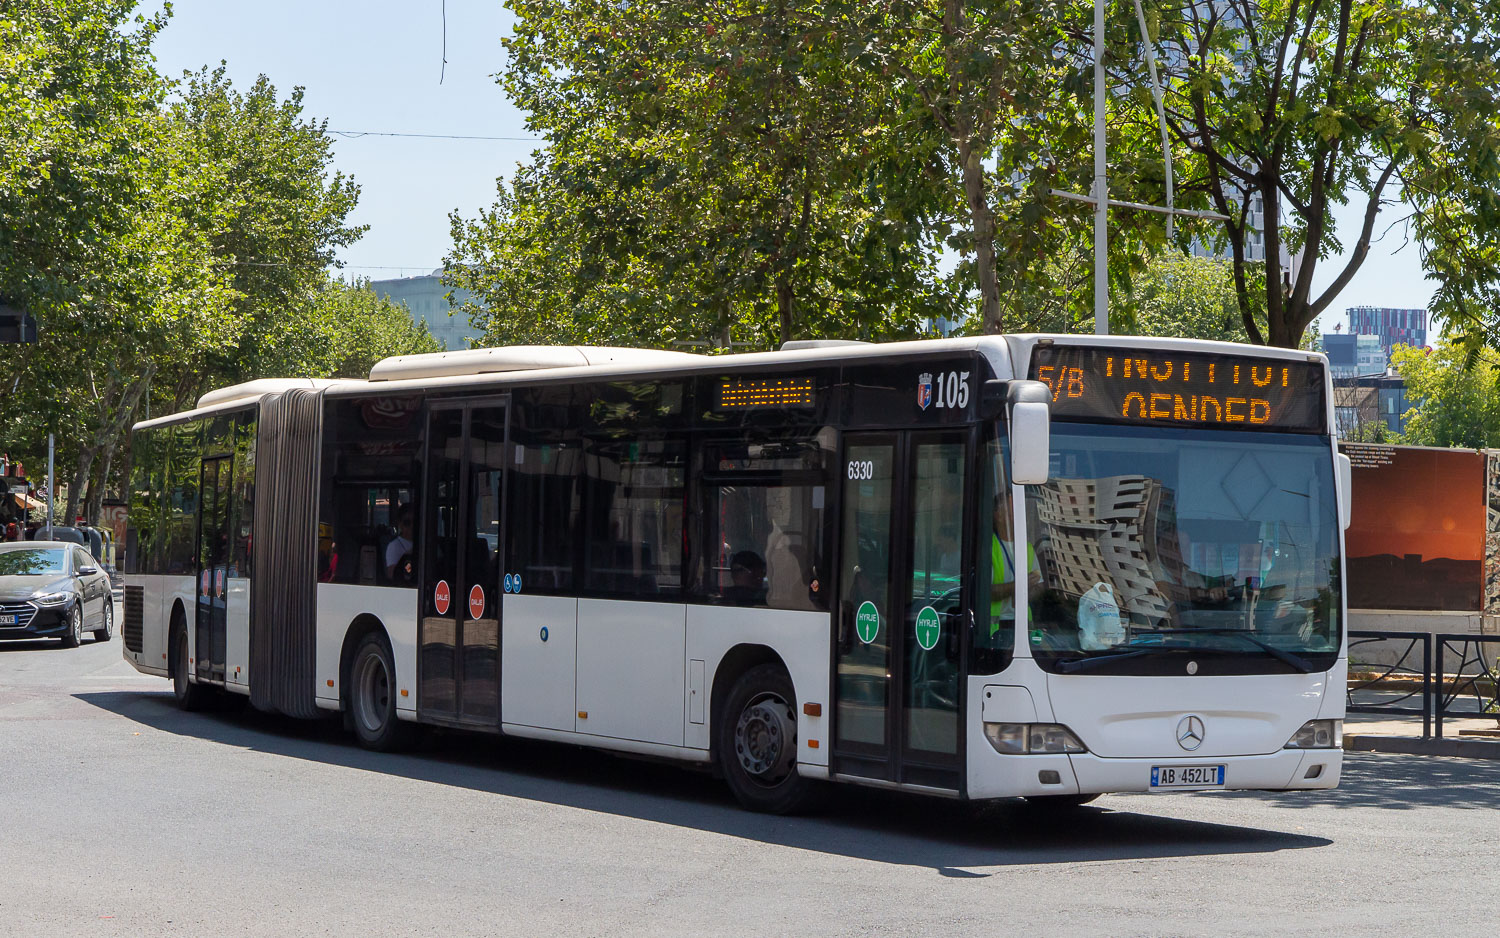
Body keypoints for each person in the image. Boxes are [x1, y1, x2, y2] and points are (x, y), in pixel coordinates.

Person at [989, 499, 1040, 637]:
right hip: (996, 629)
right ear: (998, 516)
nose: (1019, 514)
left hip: (1023, 625)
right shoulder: (988, 546)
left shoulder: (1027, 547)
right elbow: (987, 592)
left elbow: (1039, 590)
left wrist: (1029, 591)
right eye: (1013, 510)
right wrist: (1019, 586)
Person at [384, 507, 415, 583]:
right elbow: (391, 575)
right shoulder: (394, 546)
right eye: (407, 523)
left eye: (415, 522)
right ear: (400, 524)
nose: (411, 526)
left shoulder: (426, 543)